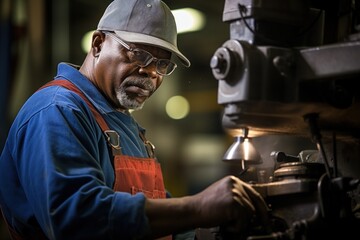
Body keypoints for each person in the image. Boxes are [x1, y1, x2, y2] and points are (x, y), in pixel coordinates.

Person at [0, 0, 269, 239]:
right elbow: (76, 219)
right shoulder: (57, 112)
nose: (151, 72)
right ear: (97, 44)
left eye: (163, 65)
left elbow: (164, 222)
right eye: (139, 54)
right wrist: (199, 206)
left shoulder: (125, 126)